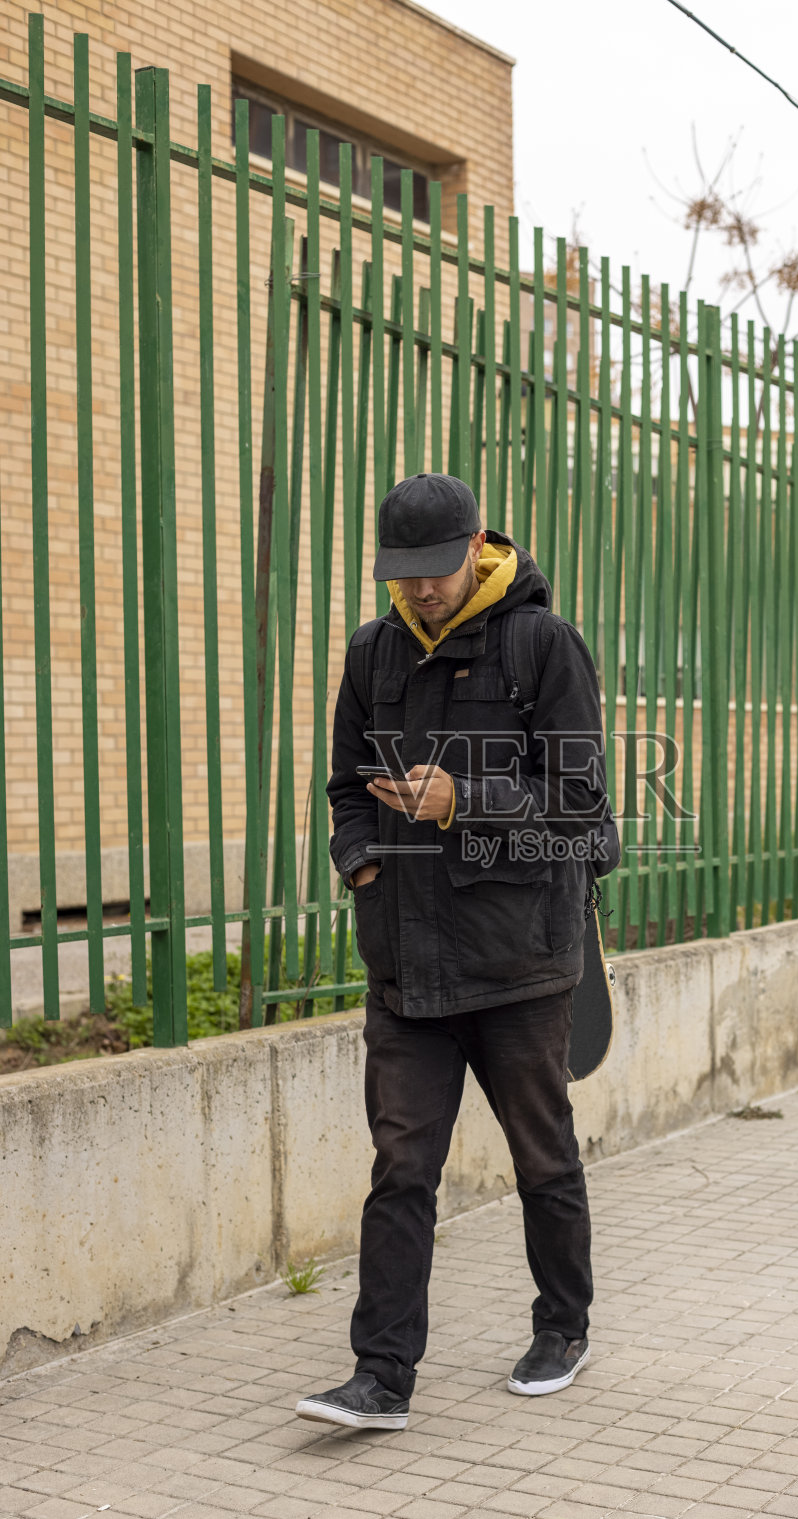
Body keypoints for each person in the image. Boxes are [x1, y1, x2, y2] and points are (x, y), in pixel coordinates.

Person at [296, 472, 619, 1432]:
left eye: (436, 572)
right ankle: (380, 1375)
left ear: (476, 547)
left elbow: (584, 818)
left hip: (519, 961)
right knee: (401, 1169)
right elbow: (346, 789)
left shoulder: (541, 645)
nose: (421, 591)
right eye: (403, 576)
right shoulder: (373, 652)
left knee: (541, 1157)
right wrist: (360, 864)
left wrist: (462, 802)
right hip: (404, 961)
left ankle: (562, 1325)